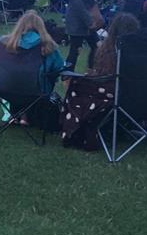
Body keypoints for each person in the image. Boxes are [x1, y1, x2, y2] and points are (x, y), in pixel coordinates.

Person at [60, 12, 140, 151]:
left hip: (115, 95)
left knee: (77, 87)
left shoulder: (108, 51)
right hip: (141, 95)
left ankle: (74, 127)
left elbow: (105, 78)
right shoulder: (144, 52)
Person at [0, 10, 65, 123]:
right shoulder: (48, 46)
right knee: (40, 78)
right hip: (37, 91)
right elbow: (59, 68)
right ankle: (25, 116)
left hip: (4, 88)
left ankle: (17, 115)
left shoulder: (2, 43)